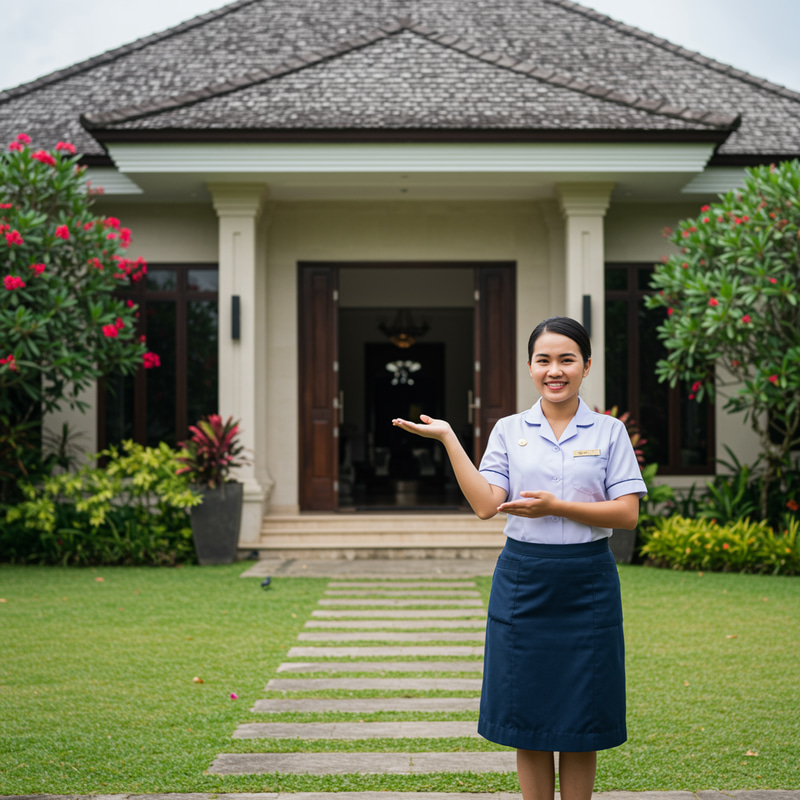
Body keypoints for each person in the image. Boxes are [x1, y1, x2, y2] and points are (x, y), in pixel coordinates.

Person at [391, 316, 647, 800]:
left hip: (587, 581)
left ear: (586, 366)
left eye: (566, 359)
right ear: (530, 367)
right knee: (527, 713)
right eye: (543, 360)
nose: (555, 370)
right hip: (523, 579)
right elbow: (487, 505)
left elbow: (627, 514)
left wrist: (556, 506)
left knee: (582, 715)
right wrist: (449, 438)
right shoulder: (510, 429)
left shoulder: (609, 432)